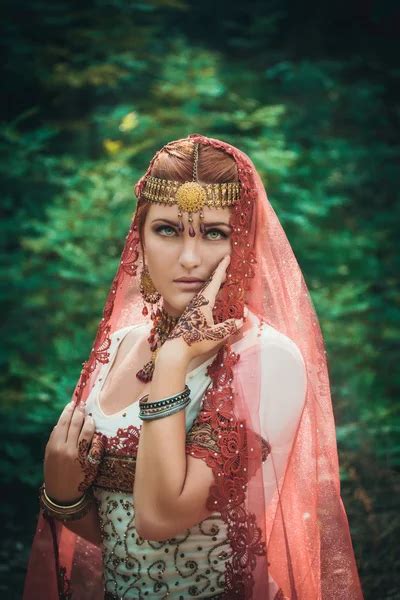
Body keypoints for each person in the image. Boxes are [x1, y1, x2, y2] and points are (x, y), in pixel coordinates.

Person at [23, 134, 364, 599]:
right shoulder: (122, 345)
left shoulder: (268, 360)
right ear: (139, 238)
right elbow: (126, 537)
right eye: (167, 229)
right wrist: (64, 498)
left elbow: (161, 519)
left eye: (213, 233)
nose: (189, 259)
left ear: (243, 243)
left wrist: (172, 360)